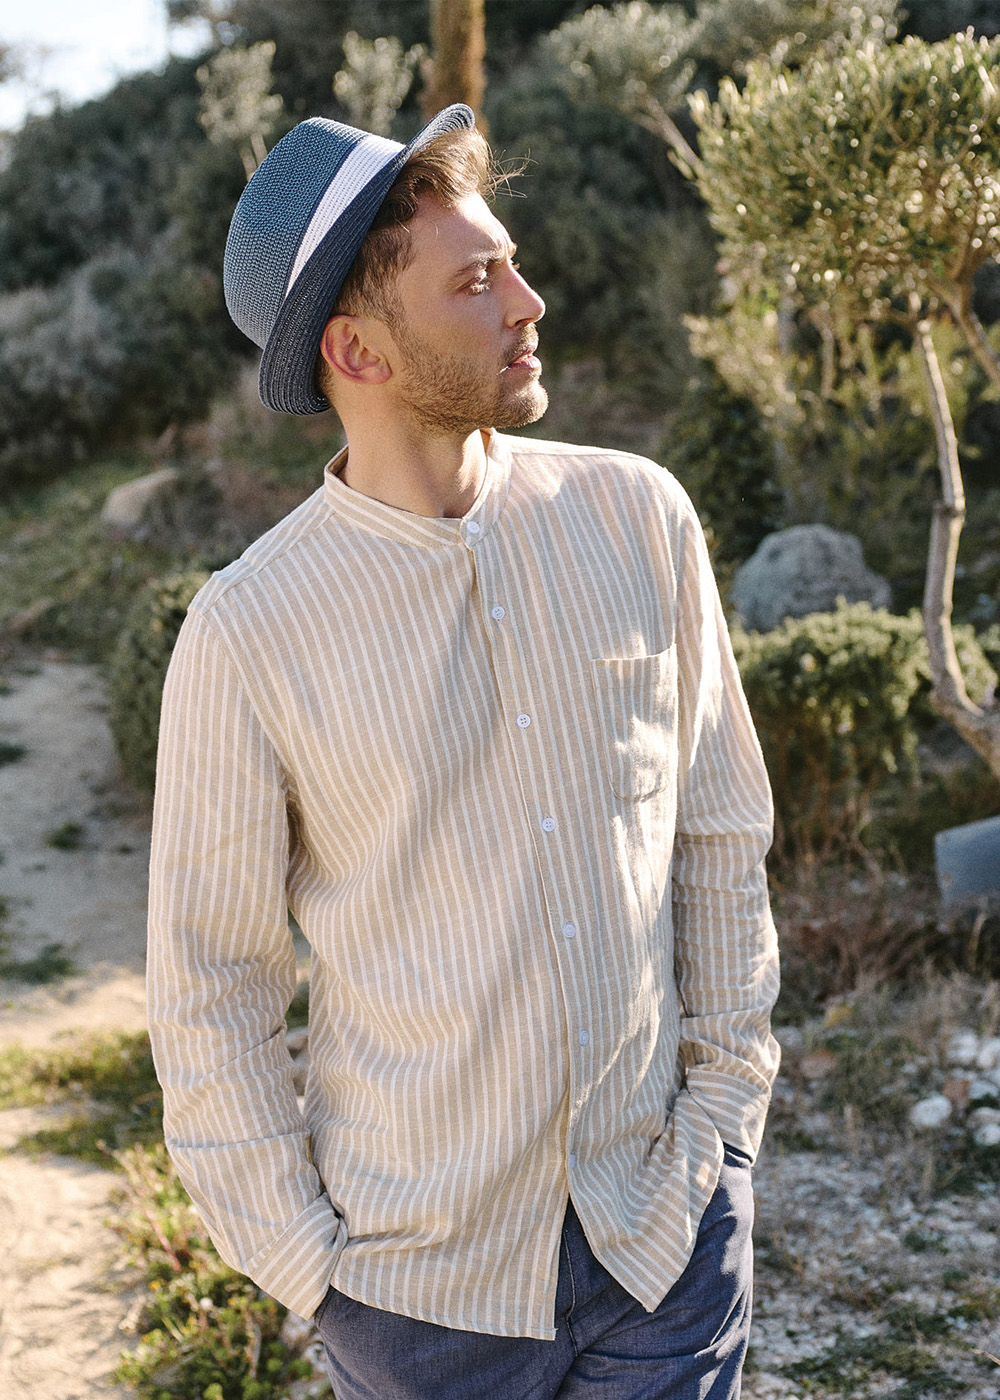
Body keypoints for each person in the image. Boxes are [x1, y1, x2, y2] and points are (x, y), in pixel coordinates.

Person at [147, 102, 780, 1400]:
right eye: (478, 280)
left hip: (664, 1249)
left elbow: (719, 836)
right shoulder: (248, 631)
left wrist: (726, 1130)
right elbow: (213, 983)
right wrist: (307, 1265)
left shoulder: (639, 517)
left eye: (513, 260)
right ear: (357, 350)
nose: (529, 301)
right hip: (416, 1307)